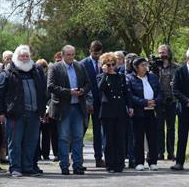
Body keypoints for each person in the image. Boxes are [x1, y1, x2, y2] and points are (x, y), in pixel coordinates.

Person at [0, 45, 47, 177]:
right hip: (15, 114)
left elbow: (42, 91)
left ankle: (28, 167)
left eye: (27, 56)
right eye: (21, 56)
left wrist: (43, 109)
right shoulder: (7, 72)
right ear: (15, 57)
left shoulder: (36, 71)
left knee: (31, 142)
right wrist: (0, 112)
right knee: (15, 142)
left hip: (34, 113)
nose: (24, 58)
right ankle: (15, 168)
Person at [47, 45, 91, 175]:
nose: (71, 57)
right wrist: (69, 92)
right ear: (62, 55)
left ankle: (78, 165)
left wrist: (82, 90)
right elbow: (50, 86)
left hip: (78, 107)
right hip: (63, 107)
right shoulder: (54, 68)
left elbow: (88, 83)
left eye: (73, 54)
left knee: (78, 137)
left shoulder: (80, 67)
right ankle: (64, 165)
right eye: (68, 55)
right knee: (64, 137)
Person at [97, 52, 133, 173]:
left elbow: (126, 93)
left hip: (120, 110)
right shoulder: (101, 76)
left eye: (113, 64)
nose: (111, 67)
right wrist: (105, 74)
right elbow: (100, 88)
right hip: (107, 111)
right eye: (108, 65)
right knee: (109, 139)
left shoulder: (121, 76)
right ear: (103, 65)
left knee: (120, 138)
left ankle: (120, 164)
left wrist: (130, 106)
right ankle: (110, 164)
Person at [127, 57, 162, 171]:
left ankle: (153, 161)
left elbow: (159, 92)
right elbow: (130, 96)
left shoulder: (152, 77)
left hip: (152, 111)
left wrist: (155, 101)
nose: (145, 67)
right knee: (138, 138)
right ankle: (139, 162)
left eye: (145, 65)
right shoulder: (130, 78)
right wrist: (144, 102)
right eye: (142, 65)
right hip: (139, 112)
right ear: (136, 67)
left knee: (153, 137)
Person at [80, 40, 106, 167]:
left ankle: (98, 158)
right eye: (95, 53)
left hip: (101, 102)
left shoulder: (105, 63)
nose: (97, 55)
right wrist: (86, 101)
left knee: (98, 131)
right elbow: (81, 83)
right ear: (90, 51)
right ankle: (78, 156)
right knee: (81, 130)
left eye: (99, 53)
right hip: (86, 101)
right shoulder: (82, 64)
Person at [157, 44, 178, 161]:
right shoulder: (155, 67)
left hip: (171, 101)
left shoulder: (176, 67)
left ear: (169, 54)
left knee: (171, 128)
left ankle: (171, 152)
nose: (162, 55)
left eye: (164, 52)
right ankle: (160, 152)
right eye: (160, 53)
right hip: (159, 102)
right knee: (159, 128)